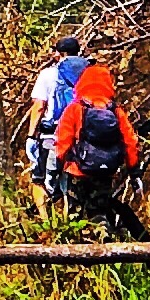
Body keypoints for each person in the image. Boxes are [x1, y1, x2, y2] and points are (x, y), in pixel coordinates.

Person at [51, 61, 140, 237]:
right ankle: (103, 237)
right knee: (99, 210)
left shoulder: (76, 108)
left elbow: (63, 141)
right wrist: (134, 171)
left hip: (77, 171)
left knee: (75, 212)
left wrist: (58, 167)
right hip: (105, 172)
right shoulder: (115, 111)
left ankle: (77, 252)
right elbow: (130, 142)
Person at [23, 40, 87, 185]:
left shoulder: (48, 74)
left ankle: (48, 206)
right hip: (80, 135)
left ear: (59, 53)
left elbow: (39, 106)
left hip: (52, 135)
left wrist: (31, 136)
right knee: (72, 179)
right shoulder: (88, 74)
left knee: (40, 180)